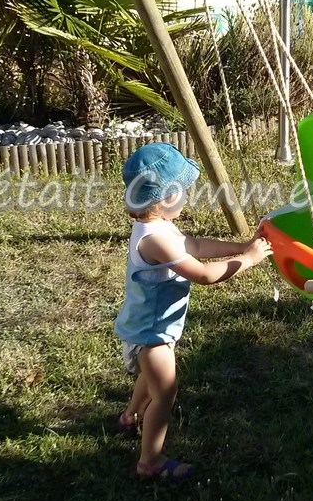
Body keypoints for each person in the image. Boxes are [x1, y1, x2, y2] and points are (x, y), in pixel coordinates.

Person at [114, 143, 272, 483]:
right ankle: (150, 461)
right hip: (150, 335)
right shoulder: (154, 240)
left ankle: (128, 417)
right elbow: (203, 274)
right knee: (165, 392)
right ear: (163, 197)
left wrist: (241, 246)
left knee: (149, 378)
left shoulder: (159, 228)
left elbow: (197, 246)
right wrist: (249, 260)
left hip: (150, 329)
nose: (186, 194)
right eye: (181, 189)